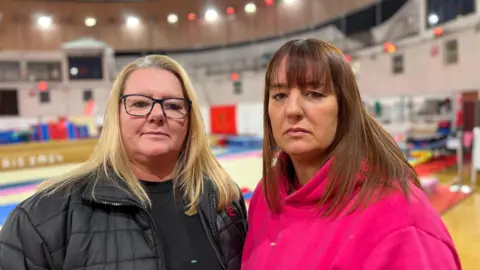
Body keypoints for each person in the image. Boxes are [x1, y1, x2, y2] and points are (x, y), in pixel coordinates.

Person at [0, 55, 247, 270]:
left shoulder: (224, 200)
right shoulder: (43, 217)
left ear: (189, 119)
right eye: (139, 103)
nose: (157, 115)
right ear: (115, 115)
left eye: (172, 105)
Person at [241, 39, 461, 269]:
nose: (292, 110)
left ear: (345, 106)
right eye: (279, 95)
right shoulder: (264, 198)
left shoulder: (402, 223)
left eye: (314, 93)